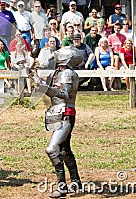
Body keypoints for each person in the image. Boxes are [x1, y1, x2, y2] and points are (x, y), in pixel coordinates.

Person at [41, 47, 82, 198]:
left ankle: (62, 186)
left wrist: (44, 87)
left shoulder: (68, 73)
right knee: (64, 149)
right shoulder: (57, 73)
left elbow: (63, 94)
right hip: (57, 112)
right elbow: (50, 90)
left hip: (66, 113)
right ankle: (76, 181)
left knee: (52, 149)